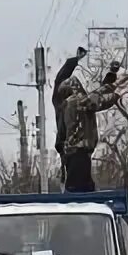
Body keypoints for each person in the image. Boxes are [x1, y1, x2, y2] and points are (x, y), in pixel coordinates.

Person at [55, 69, 128, 192]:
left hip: (75, 154)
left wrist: (111, 85)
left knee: (83, 187)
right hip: (78, 154)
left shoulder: (71, 103)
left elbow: (94, 95)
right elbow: (98, 101)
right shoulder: (77, 102)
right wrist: (116, 93)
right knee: (80, 191)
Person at [52, 46, 88, 182]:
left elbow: (59, 82)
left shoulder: (81, 103)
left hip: (76, 151)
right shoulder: (64, 104)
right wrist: (74, 61)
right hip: (71, 150)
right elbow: (59, 82)